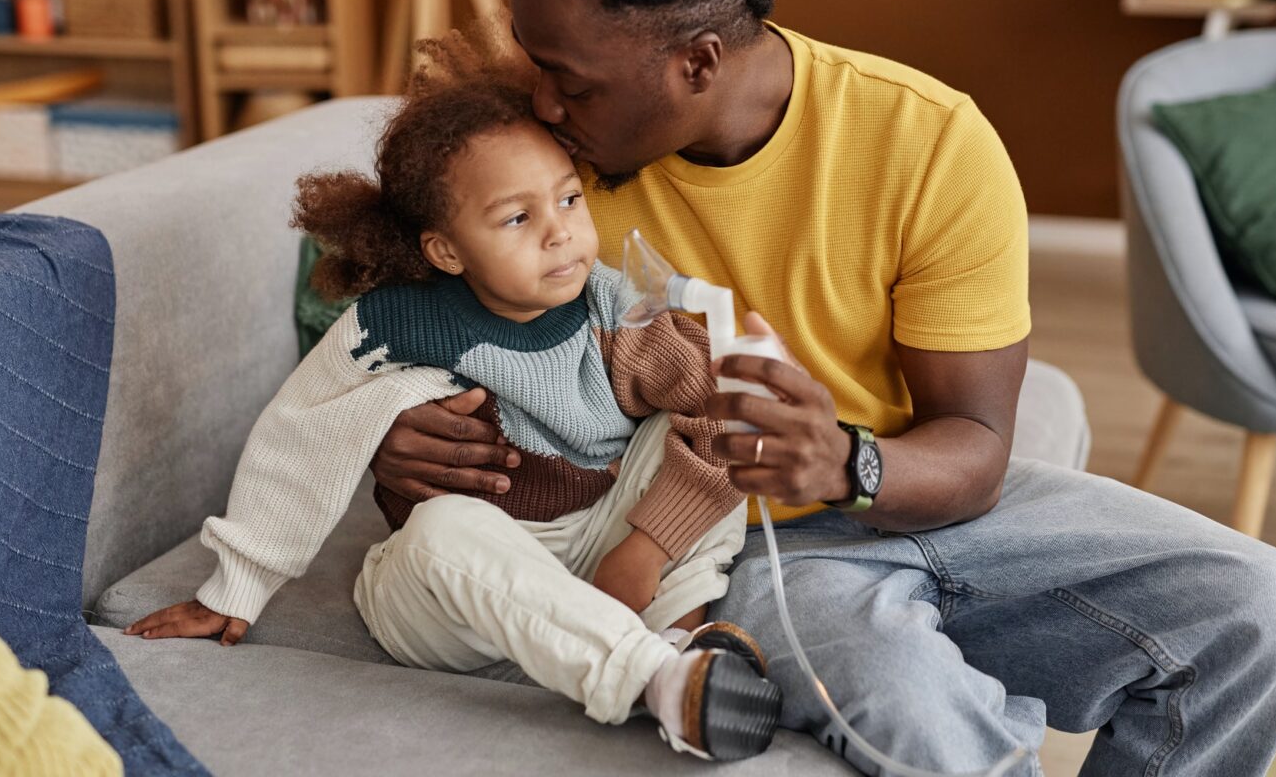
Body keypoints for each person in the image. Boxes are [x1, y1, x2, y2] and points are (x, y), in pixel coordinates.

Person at [370, 0, 1276, 775]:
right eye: (535, 65)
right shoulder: (531, 181)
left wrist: (843, 462)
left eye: (567, 81)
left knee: (1270, 613)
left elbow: (978, 449)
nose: (539, 104)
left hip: (906, 495)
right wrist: (397, 446)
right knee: (921, 714)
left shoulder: (928, 143)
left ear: (698, 62)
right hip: (722, 548)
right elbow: (400, 346)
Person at [124, 75, 784, 763]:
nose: (560, 233)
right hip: (455, 594)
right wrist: (236, 588)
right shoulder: (397, 325)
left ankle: (674, 639)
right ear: (445, 249)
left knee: (721, 424)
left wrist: (643, 550)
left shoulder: (613, 310)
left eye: (568, 198)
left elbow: (727, 415)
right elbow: (301, 439)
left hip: (599, 552)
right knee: (442, 531)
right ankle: (655, 675)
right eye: (517, 219)